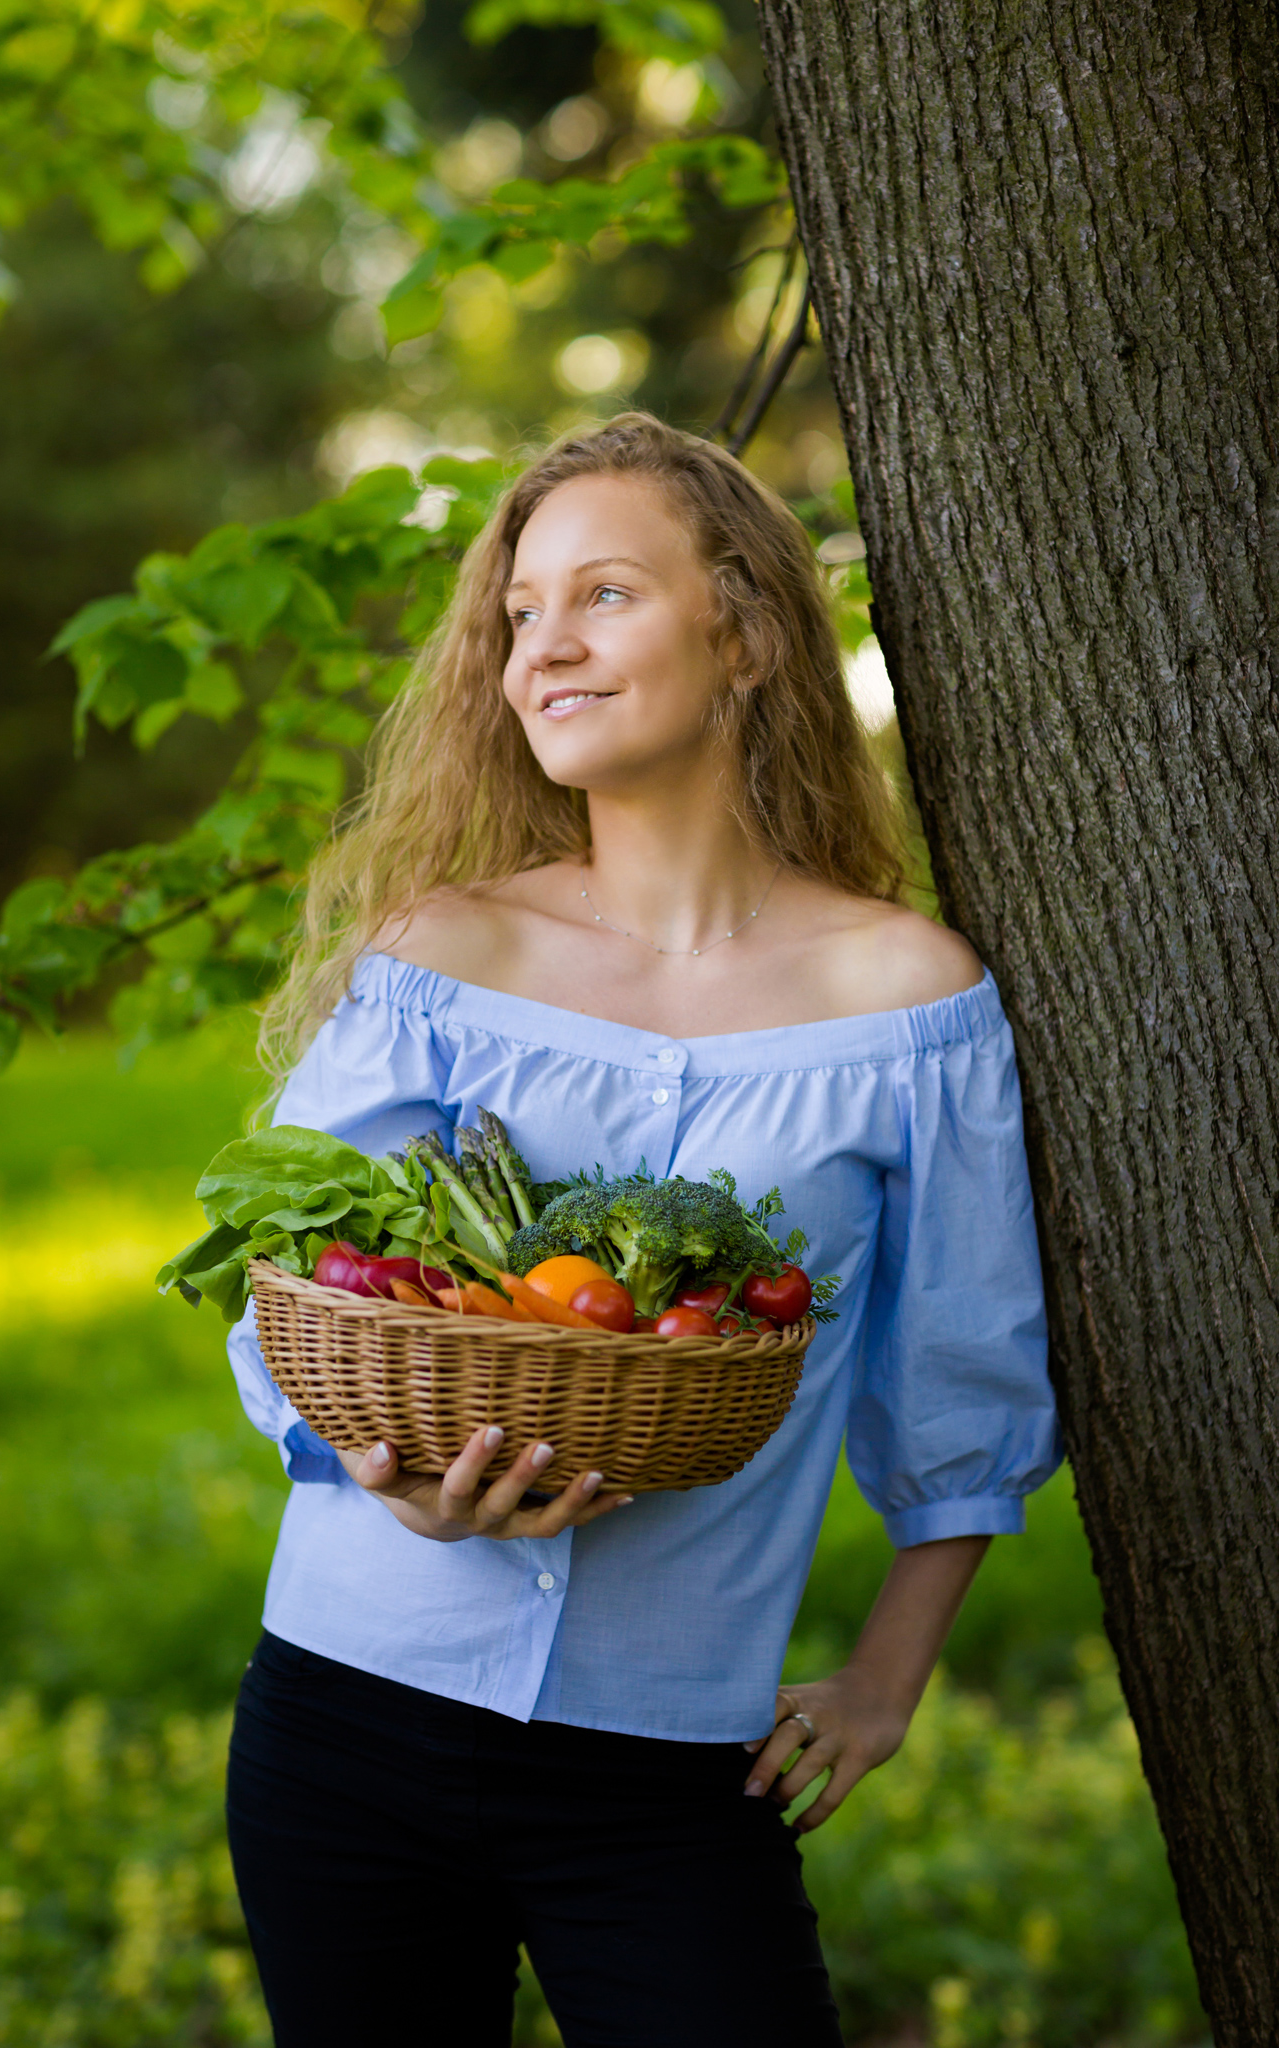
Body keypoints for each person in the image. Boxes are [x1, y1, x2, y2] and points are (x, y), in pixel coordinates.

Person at [224, 412, 1061, 2046]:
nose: (543, 649)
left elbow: (963, 1368)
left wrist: (889, 1674)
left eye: (601, 595)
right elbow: (287, 1299)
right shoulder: (440, 957)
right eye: (520, 615)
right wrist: (376, 1472)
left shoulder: (909, 1001)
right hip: (345, 1720)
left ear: (741, 629)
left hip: (670, 1760)